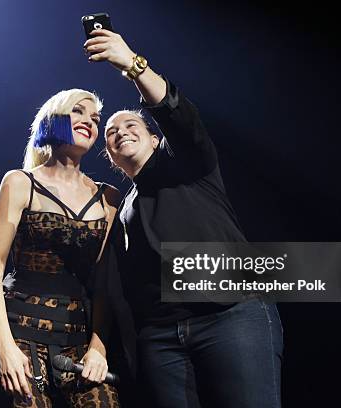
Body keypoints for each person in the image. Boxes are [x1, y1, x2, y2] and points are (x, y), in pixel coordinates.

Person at [84, 29, 283, 407]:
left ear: (156, 139)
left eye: (132, 125)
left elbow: (179, 117)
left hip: (230, 316)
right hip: (160, 339)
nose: (121, 131)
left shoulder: (190, 166)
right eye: (111, 132)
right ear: (109, 156)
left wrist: (133, 65)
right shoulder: (123, 208)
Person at [0, 88, 121, 407]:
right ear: (53, 119)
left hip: (77, 336)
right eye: (78, 111)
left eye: (95, 118)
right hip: (19, 331)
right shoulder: (20, 182)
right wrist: (5, 347)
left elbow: (105, 282)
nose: (89, 120)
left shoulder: (109, 197)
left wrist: (99, 348)